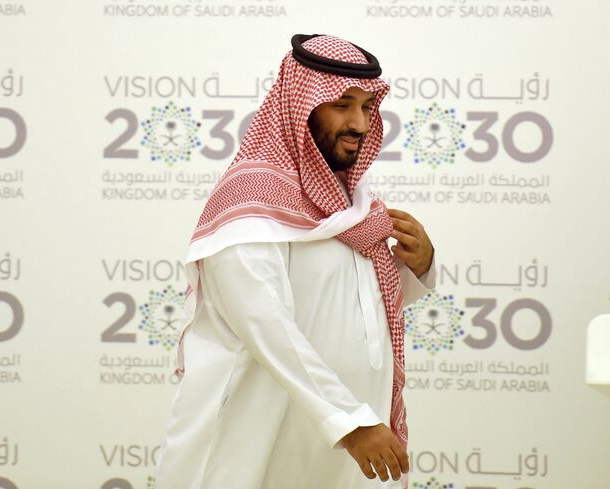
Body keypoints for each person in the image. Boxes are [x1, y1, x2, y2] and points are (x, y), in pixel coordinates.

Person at [155, 34, 436, 489]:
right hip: (261, 438)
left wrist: (417, 266)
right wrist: (351, 423)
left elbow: (343, 307)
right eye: (342, 104)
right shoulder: (250, 201)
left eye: (366, 107)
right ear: (300, 107)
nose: (359, 123)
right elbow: (267, 326)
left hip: (341, 444)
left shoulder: (351, 209)